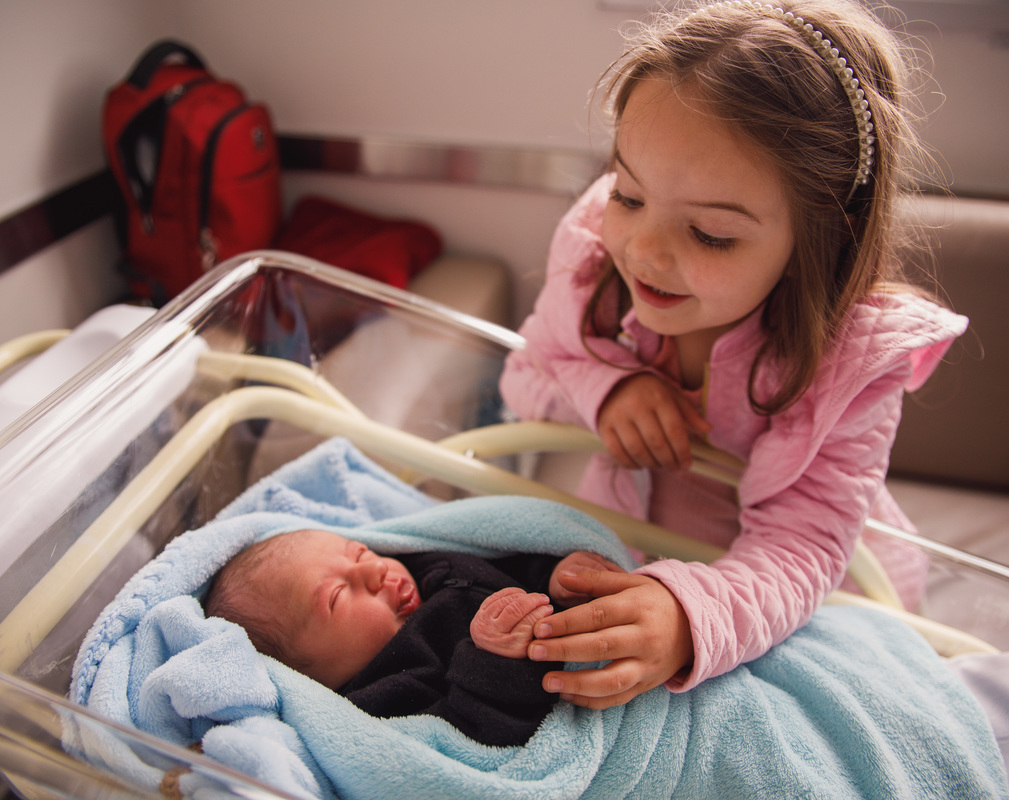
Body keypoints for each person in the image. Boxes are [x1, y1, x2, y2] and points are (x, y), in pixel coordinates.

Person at [499, 0, 968, 710]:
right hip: (636, 543)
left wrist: (691, 618)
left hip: (804, 601)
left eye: (711, 235)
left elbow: (804, 546)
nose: (644, 250)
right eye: (628, 193)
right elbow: (525, 373)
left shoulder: (852, 360)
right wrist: (607, 389)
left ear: (824, 236)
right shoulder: (597, 254)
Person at [204, 527, 623, 746]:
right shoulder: (381, 700)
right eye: (336, 596)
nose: (373, 571)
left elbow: (501, 554)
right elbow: (465, 742)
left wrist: (555, 575)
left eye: (359, 552)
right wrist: (495, 661)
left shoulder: (426, 562)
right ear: (310, 678)